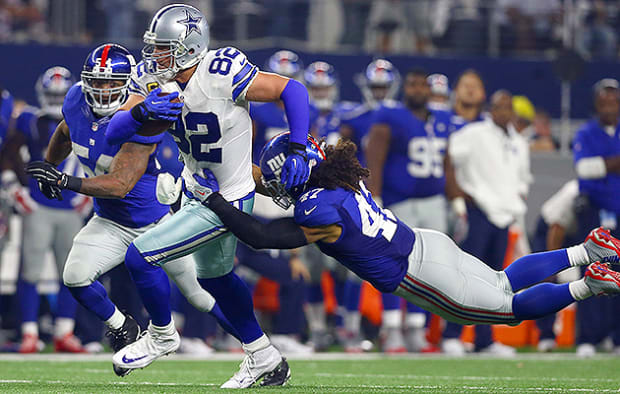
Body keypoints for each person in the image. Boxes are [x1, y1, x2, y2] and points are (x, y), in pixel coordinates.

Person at [185, 133, 620, 345]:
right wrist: (232, 181)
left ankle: (587, 282)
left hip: (415, 272)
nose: (276, 185)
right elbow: (275, 188)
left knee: (507, 310)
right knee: (503, 280)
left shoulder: (314, 209)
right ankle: (587, 249)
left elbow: (260, 235)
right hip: (427, 243)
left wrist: (212, 201)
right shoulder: (339, 178)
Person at [97, 4, 310, 388]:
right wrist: (142, 111)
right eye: (154, 47)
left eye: (163, 48)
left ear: (190, 47)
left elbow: (291, 89)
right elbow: (112, 133)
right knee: (217, 279)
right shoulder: (152, 80)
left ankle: (162, 336)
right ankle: (265, 357)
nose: (154, 56)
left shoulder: (221, 72)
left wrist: (297, 147)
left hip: (228, 196)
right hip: (197, 189)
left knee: (140, 256)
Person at [25, 43, 240, 376]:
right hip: (110, 221)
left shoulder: (141, 115)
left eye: (112, 82)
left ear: (128, 82)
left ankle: (256, 346)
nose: (104, 88)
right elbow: (66, 131)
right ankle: (123, 326)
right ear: (86, 81)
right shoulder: (75, 100)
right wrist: (49, 167)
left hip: (156, 225)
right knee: (75, 277)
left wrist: (64, 180)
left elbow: (120, 183)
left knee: (199, 296)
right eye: (97, 81)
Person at [365, 68, 451, 353]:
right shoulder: (391, 115)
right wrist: (374, 195)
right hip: (399, 200)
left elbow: (448, 162)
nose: (416, 89)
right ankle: (391, 329)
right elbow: (375, 155)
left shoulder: (440, 119)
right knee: (396, 262)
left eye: (421, 84)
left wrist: (456, 201)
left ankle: (417, 327)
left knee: (432, 266)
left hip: (434, 201)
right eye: (411, 84)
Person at [11, 66, 91, 354]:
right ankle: (29, 333)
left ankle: (64, 332)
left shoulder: (85, 119)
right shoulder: (30, 121)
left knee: (71, 273)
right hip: (39, 205)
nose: (55, 100)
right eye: (51, 94)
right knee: (30, 272)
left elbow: (96, 157)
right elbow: (9, 154)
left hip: (71, 205)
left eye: (61, 95)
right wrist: (14, 187)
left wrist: (90, 192)